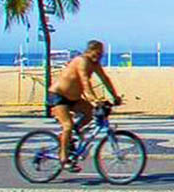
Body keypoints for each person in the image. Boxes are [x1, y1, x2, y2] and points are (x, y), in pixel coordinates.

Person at [46, 40, 123, 170]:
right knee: (67, 125)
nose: (99, 56)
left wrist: (114, 97)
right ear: (90, 51)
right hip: (58, 96)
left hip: (74, 98)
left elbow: (105, 79)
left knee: (90, 113)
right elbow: (85, 81)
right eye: (97, 53)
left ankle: (70, 138)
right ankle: (63, 158)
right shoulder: (81, 61)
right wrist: (93, 99)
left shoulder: (94, 64)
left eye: (101, 54)